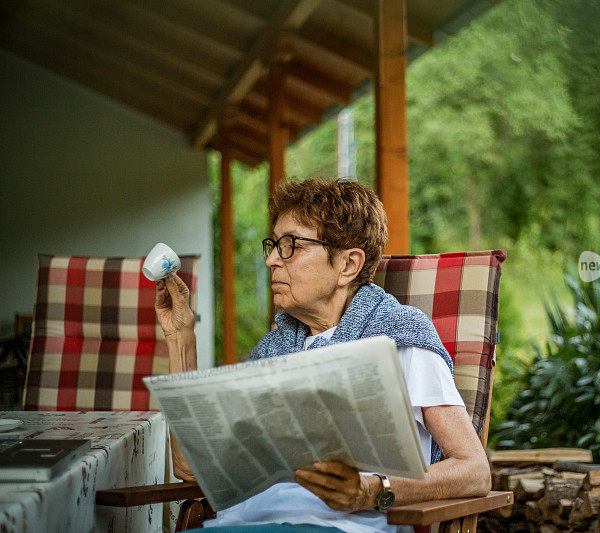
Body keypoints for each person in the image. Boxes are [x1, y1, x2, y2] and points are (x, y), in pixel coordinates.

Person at [155, 178, 491, 532]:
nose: (270, 260)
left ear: (348, 265)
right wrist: (181, 337)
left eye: (291, 246)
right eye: (273, 245)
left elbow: (474, 470)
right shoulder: (272, 349)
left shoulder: (400, 339)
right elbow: (191, 469)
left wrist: (372, 490)